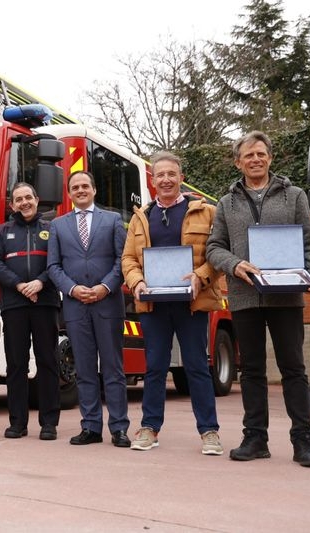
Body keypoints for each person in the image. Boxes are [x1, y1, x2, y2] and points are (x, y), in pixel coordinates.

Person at [206, 131, 310, 468]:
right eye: (248, 155)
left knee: (294, 369)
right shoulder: (226, 203)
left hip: (288, 297)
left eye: (261, 153)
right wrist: (235, 264)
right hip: (246, 297)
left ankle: (304, 440)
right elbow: (214, 247)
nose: (255, 159)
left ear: (270, 157)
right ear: (238, 161)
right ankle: (255, 437)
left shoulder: (294, 196)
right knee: (252, 371)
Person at [121, 151, 223, 455]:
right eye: (159, 175)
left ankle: (209, 431)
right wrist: (136, 281)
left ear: (181, 178)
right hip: (154, 306)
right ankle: (149, 428)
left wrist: (200, 277)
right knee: (154, 368)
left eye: (171, 174)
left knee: (196, 367)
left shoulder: (207, 213)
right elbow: (128, 258)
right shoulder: (141, 217)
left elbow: (217, 254)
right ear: (152, 182)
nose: (165, 180)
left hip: (191, 303)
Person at [47, 170, 131, 447]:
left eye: (85, 186)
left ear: (94, 190)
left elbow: (123, 260)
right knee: (83, 369)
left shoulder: (113, 220)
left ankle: (119, 428)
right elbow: (53, 266)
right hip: (75, 305)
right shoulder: (58, 225)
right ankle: (91, 426)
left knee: (113, 368)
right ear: (69, 194)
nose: (80, 190)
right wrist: (72, 289)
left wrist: (104, 287)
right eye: (75, 187)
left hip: (107, 303)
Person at [0, 183, 61, 440]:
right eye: (19, 199)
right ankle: (17, 422)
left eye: (28, 197)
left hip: (45, 301)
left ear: (37, 199)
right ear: (12, 205)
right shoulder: (0, 232)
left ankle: (49, 422)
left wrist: (40, 282)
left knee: (48, 361)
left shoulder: (53, 230)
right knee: (16, 364)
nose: (24, 202)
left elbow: (57, 262)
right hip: (14, 304)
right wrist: (18, 284)